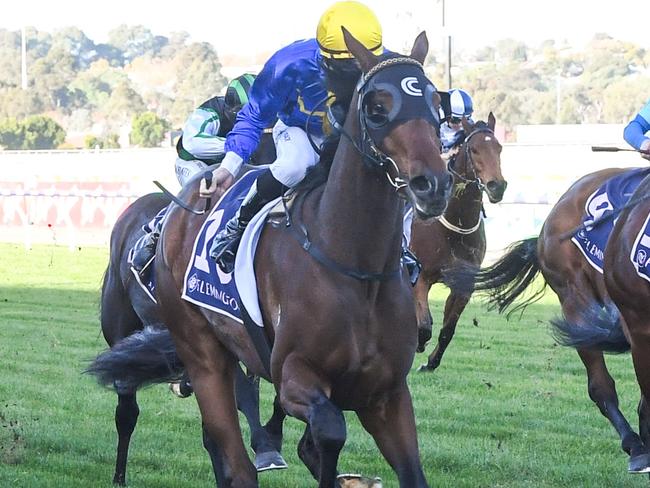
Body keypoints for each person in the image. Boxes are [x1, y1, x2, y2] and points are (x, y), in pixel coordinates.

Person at [204, 0, 384, 273]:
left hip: (350, 137)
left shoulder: (386, 61)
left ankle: (401, 246)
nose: (358, 71)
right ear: (326, 57)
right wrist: (229, 166)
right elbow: (254, 116)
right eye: (350, 65)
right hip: (299, 130)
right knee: (294, 165)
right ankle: (237, 226)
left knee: (393, 177)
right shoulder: (288, 64)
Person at [130, 73, 256, 272]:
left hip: (229, 167)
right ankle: (152, 236)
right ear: (231, 109)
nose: (251, 118)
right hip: (194, 164)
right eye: (245, 112)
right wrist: (238, 145)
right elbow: (192, 143)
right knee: (200, 196)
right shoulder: (209, 113)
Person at [439, 88, 474, 158]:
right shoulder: (435, 126)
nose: (461, 125)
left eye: (465, 120)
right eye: (456, 120)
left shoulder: (471, 127)